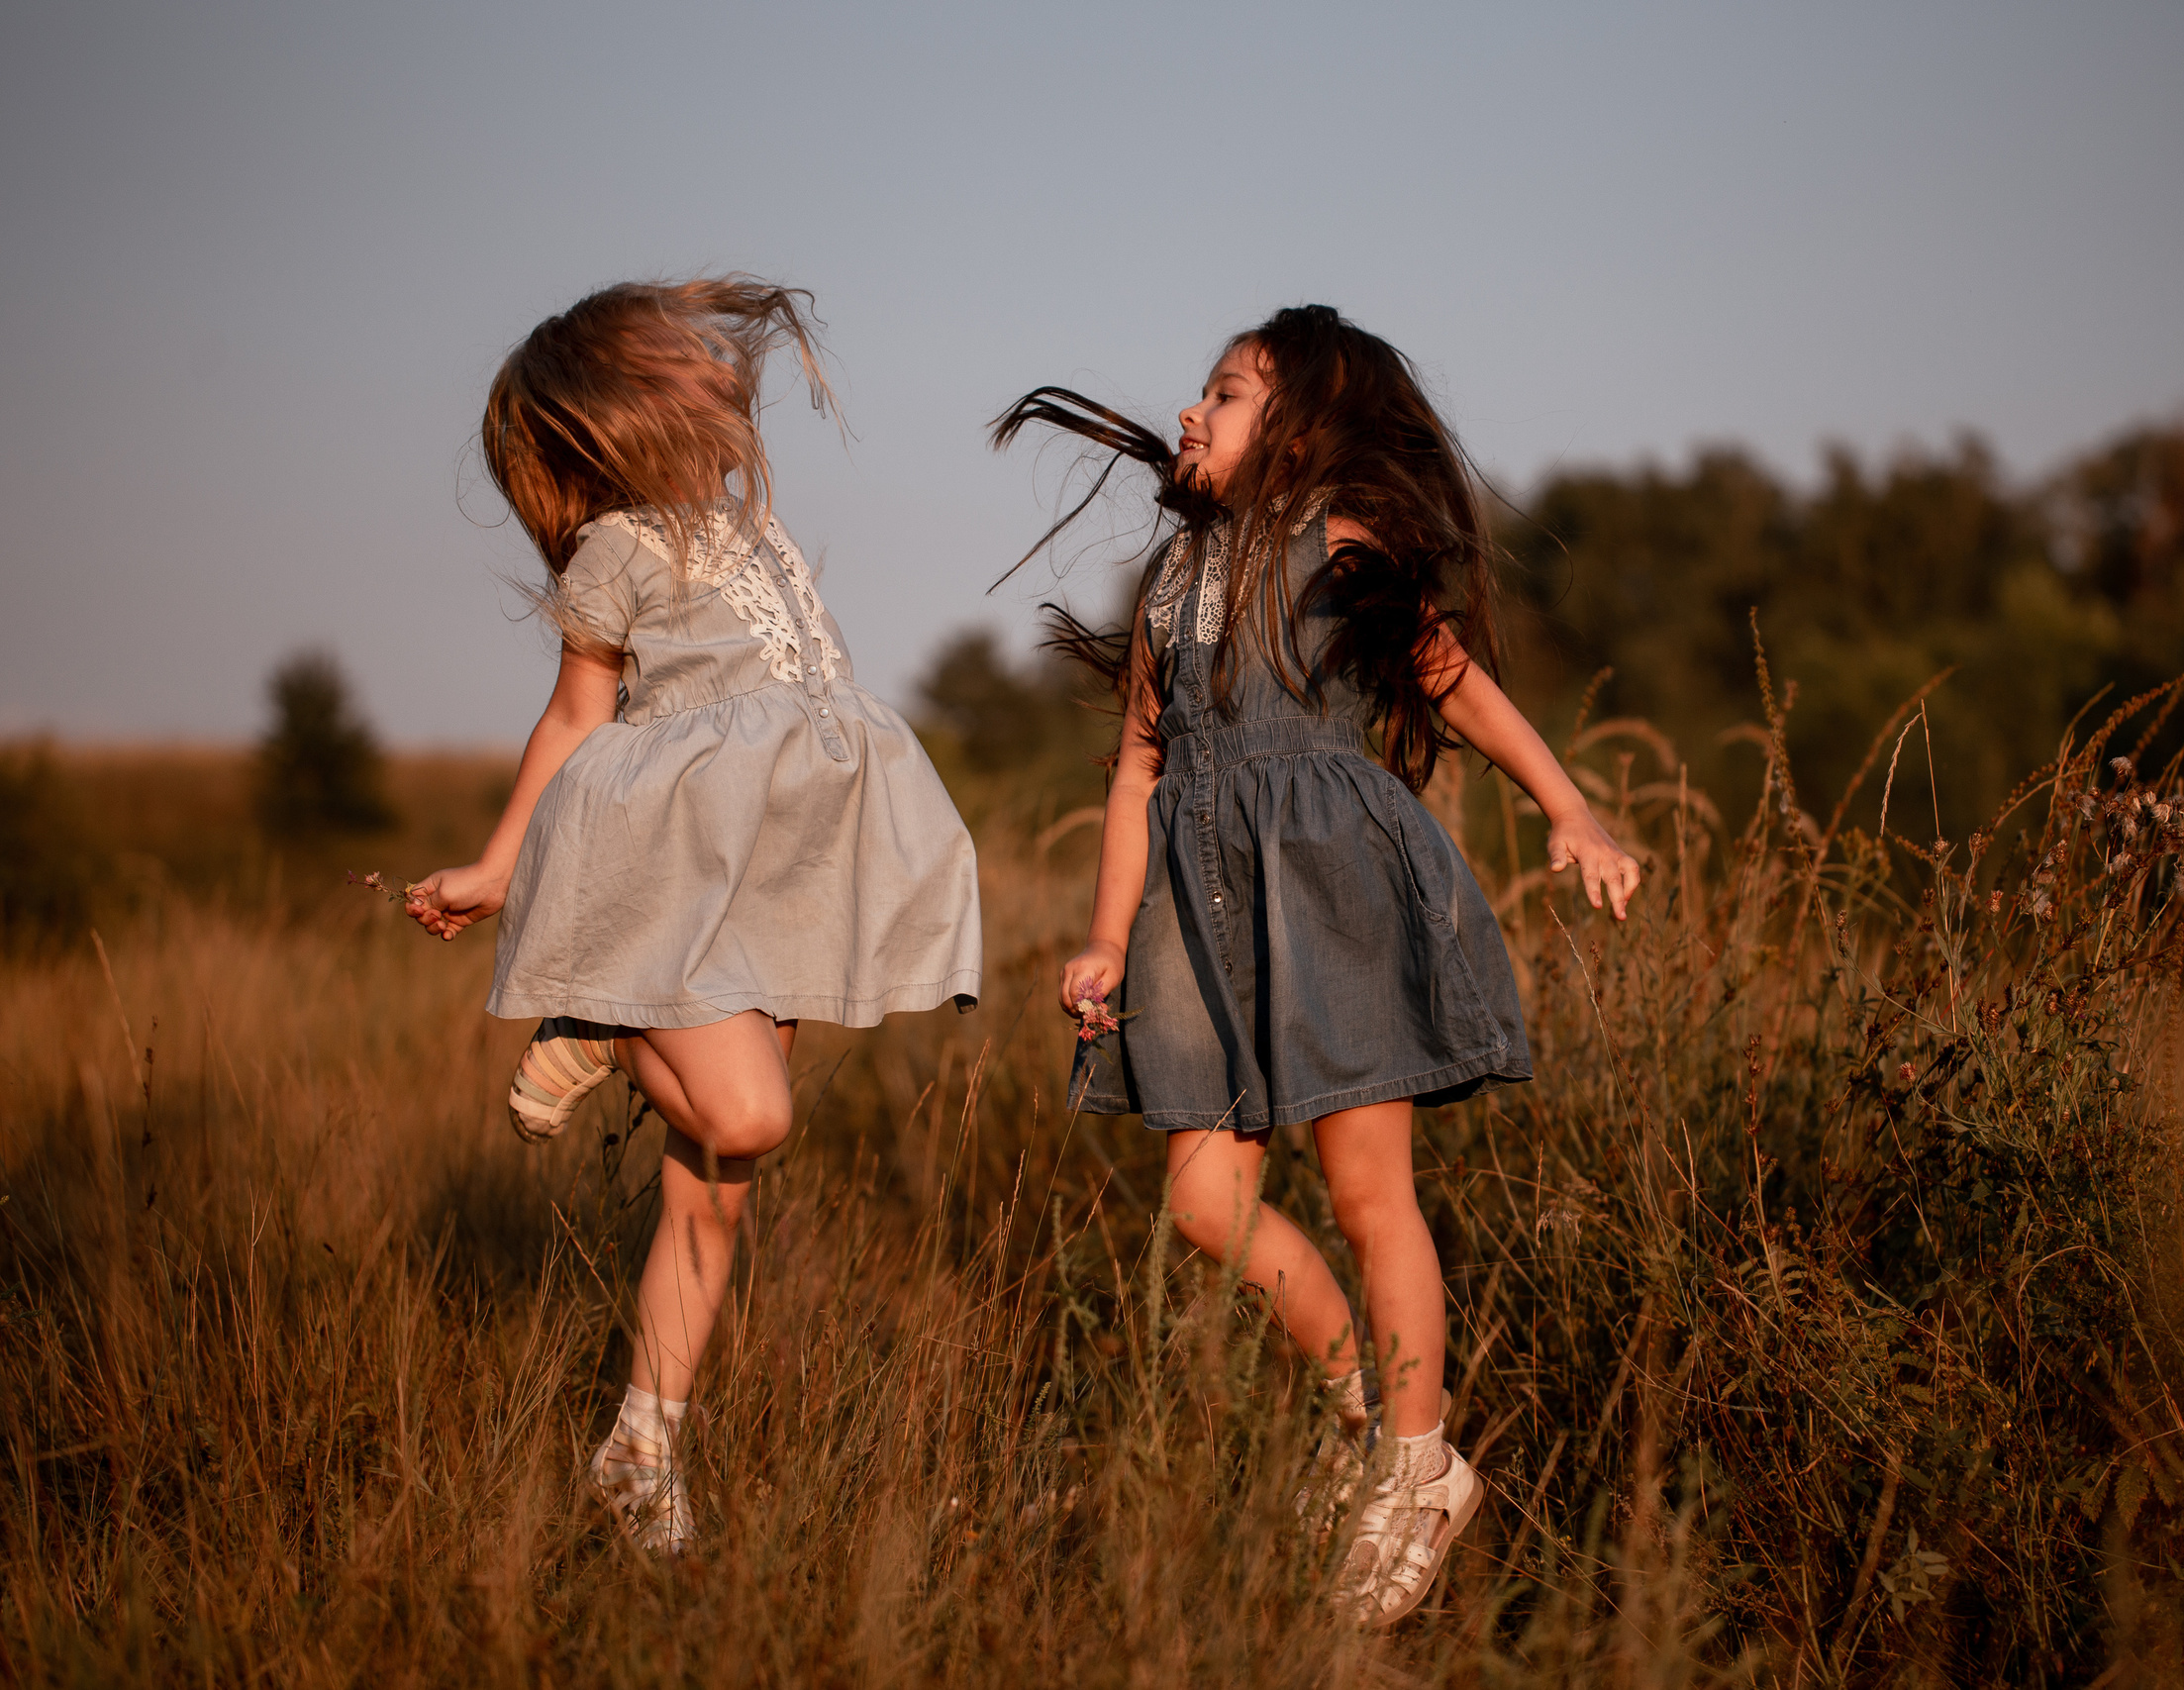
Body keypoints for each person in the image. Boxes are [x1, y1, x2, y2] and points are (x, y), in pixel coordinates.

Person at [995, 305, 1637, 1626]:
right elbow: (1137, 771)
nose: (1190, 412)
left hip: (1335, 894)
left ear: (1297, 429)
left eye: (1223, 394)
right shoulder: (1171, 585)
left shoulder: (1343, 546)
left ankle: (1414, 1466)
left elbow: (1448, 676)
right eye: (1202, 394)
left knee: (1367, 1195)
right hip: (1201, 916)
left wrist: (1567, 805)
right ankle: (1367, 1408)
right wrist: (1108, 936)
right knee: (1201, 1204)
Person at [406, 278, 983, 1553]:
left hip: (776, 871)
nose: (728, 390)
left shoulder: (753, 528)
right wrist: (499, 867)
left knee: (716, 1185)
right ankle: (603, 1019)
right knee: (749, 1114)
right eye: (691, 374)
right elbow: (574, 718)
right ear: (624, 416)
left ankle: (642, 1448)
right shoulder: (617, 551)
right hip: (675, 867)